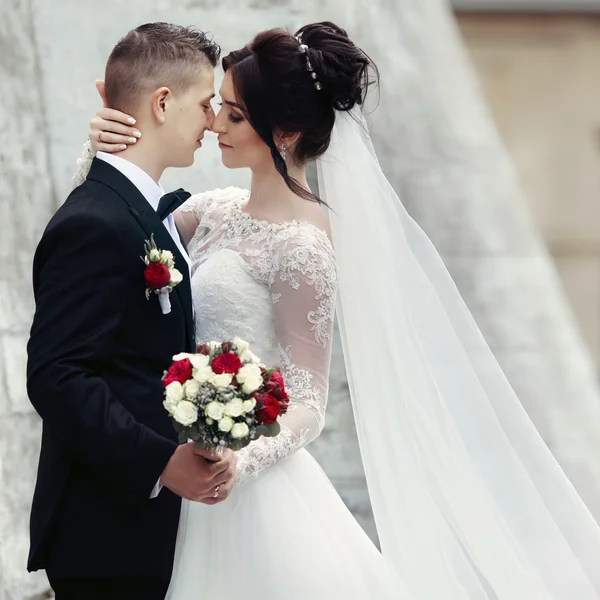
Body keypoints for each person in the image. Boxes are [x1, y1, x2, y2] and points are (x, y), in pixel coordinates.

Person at [74, 20, 600, 600]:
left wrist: (236, 462)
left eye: (235, 116)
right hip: (178, 475)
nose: (214, 125)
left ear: (289, 130)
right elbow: (110, 235)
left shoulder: (303, 247)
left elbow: (308, 403)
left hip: (249, 489)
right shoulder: (211, 211)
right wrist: (101, 152)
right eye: (219, 108)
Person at [26, 23, 237, 600]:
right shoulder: (95, 221)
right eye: (206, 103)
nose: (213, 122)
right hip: (106, 528)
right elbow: (57, 376)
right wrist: (162, 463)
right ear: (163, 104)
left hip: (145, 526)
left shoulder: (141, 210)